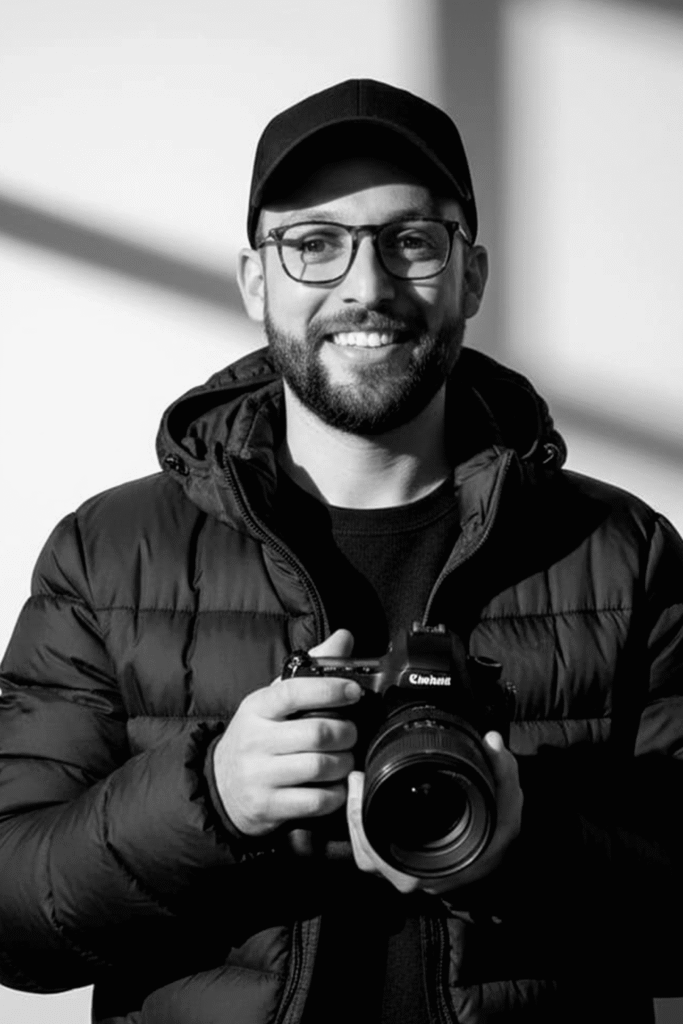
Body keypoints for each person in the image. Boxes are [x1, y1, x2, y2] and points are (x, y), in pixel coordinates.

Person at [0, 78, 681, 1024]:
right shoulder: (109, 556)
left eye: (411, 240)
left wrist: (529, 846)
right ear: (256, 281)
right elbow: (13, 923)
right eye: (314, 243)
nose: (366, 286)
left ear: (471, 275)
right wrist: (209, 799)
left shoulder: (620, 553)